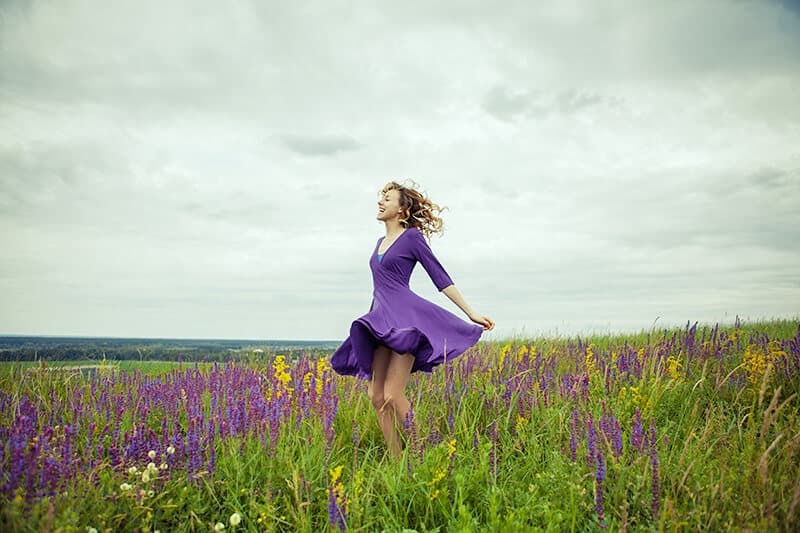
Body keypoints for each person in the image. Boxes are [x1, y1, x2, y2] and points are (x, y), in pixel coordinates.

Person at [330, 179, 495, 457]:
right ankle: (397, 461)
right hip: (380, 319)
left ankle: (430, 454)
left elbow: (440, 277)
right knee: (376, 396)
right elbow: (380, 286)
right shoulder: (379, 242)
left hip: (405, 322)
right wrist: (372, 320)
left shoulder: (412, 238)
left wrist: (471, 313)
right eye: (381, 197)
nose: (381, 201)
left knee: (393, 394)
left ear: (402, 210)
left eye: (388, 198)